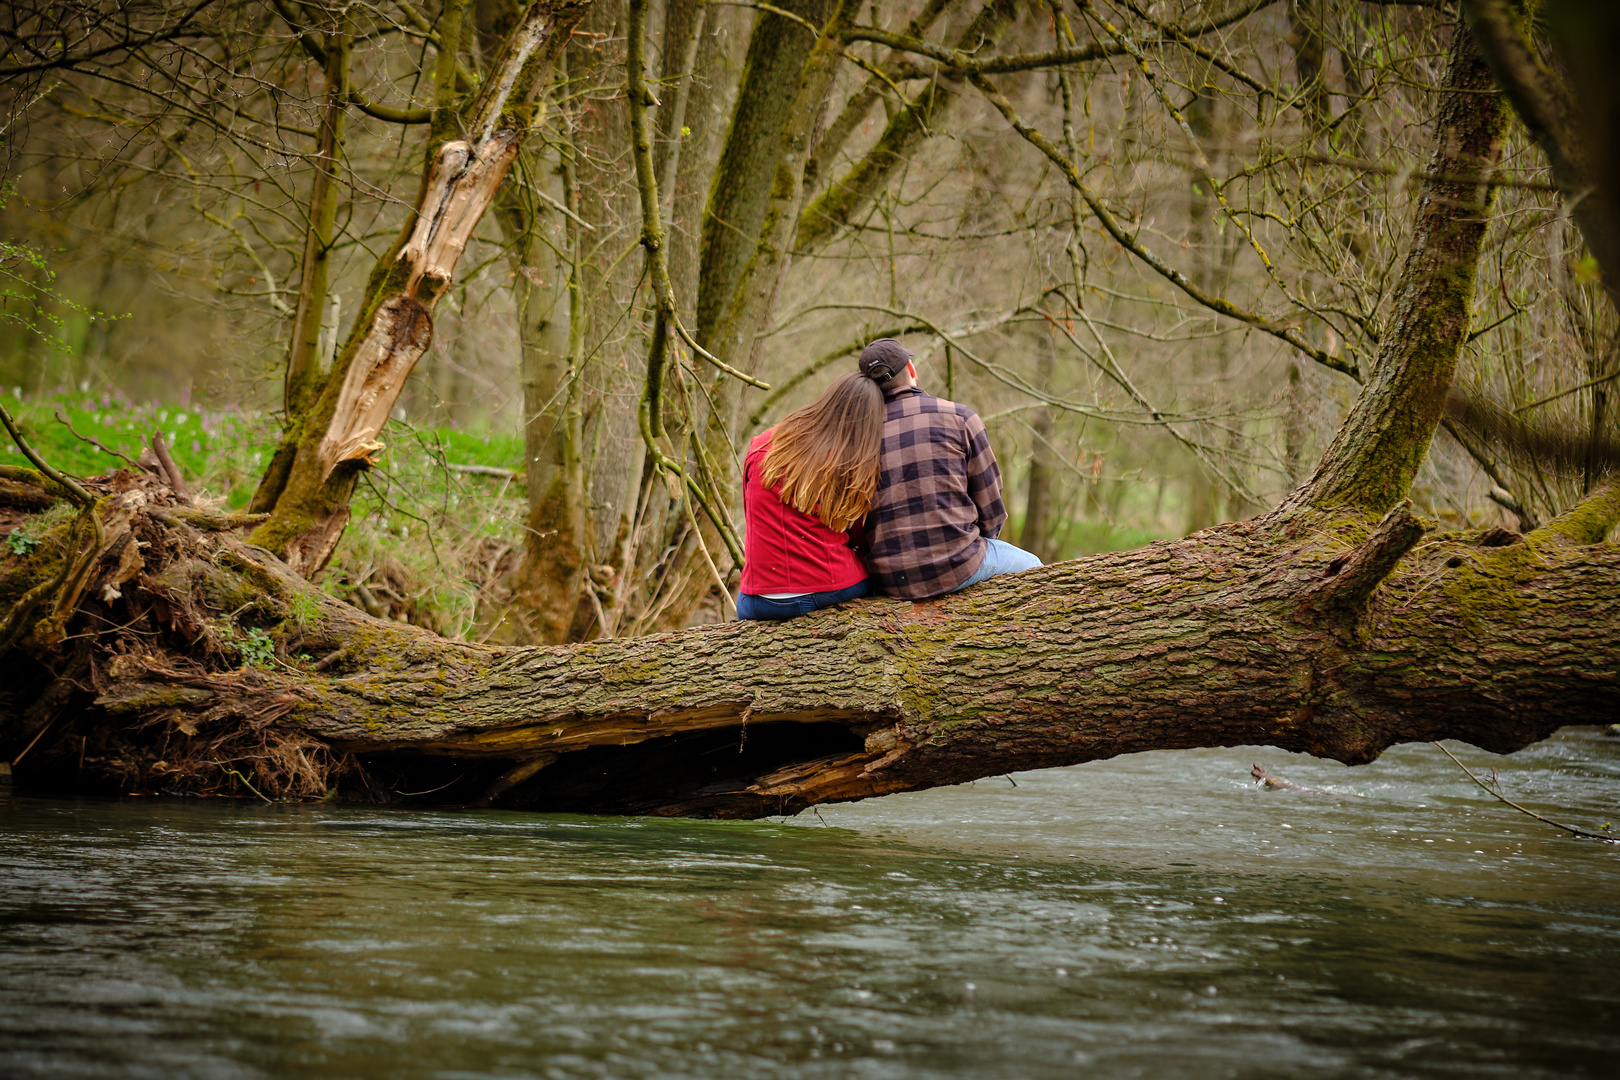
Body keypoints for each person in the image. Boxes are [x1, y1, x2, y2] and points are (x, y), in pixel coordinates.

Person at [857, 337, 1042, 599]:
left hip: (888, 580)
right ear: (911, 369)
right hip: (958, 566)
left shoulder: (857, 438)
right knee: (1034, 566)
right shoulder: (960, 418)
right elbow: (991, 509)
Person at [736, 372, 886, 620]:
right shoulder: (849, 463)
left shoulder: (764, 444)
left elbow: (752, 514)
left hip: (757, 600)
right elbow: (860, 534)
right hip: (830, 586)